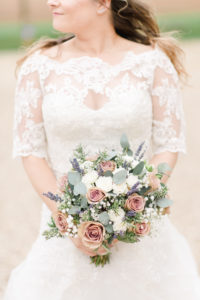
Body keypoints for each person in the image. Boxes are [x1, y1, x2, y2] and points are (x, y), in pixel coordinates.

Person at [3, 0, 200, 299]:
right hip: (64, 232)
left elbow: (168, 143)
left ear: (102, 3)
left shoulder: (152, 62)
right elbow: (31, 152)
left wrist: (136, 200)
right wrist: (68, 219)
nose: (50, 1)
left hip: (140, 232)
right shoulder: (38, 66)